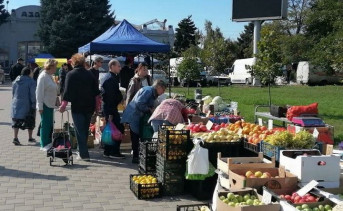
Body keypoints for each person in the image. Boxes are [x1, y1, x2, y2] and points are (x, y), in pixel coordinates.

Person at [59, 53, 100, 161]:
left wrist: (63, 105)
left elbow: (67, 92)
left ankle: (84, 154)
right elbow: (96, 92)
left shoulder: (70, 74)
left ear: (74, 62)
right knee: (85, 129)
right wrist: (97, 107)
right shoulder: (90, 74)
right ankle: (81, 150)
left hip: (77, 106)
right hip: (89, 106)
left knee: (79, 130)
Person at [121, 80, 166, 163]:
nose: (163, 92)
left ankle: (138, 156)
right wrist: (149, 110)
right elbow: (139, 103)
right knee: (135, 136)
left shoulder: (150, 91)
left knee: (137, 135)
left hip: (136, 115)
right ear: (158, 87)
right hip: (134, 115)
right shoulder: (148, 91)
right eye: (163, 90)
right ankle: (135, 157)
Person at [101, 59, 125, 159]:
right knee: (118, 129)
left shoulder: (111, 77)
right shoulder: (110, 79)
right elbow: (110, 97)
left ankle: (107, 151)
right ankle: (114, 152)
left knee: (111, 129)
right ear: (112, 66)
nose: (120, 68)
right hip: (110, 109)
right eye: (118, 66)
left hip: (109, 108)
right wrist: (110, 114)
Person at [36, 59, 59, 151]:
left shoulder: (50, 76)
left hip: (50, 104)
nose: (56, 68)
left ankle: (48, 142)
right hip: (45, 104)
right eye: (55, 66)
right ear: (51, 66)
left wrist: (57, 99)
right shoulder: (43, 77)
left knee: (49, 124)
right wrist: (40, 106)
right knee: (45, 125)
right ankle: (44, 144)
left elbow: (54, 89)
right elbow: (39, 93)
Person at [11, 67, 37, 145]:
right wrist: (34, 103)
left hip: (16, 103)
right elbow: (33, 94)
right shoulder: (31, 82)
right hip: (27, 103)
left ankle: (15, 138)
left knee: (16, 121)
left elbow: (13, 92)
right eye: (32, 72)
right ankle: (30, 137)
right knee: (30, 120)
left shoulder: (15, 80)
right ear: (28, 73)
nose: (32, 73)